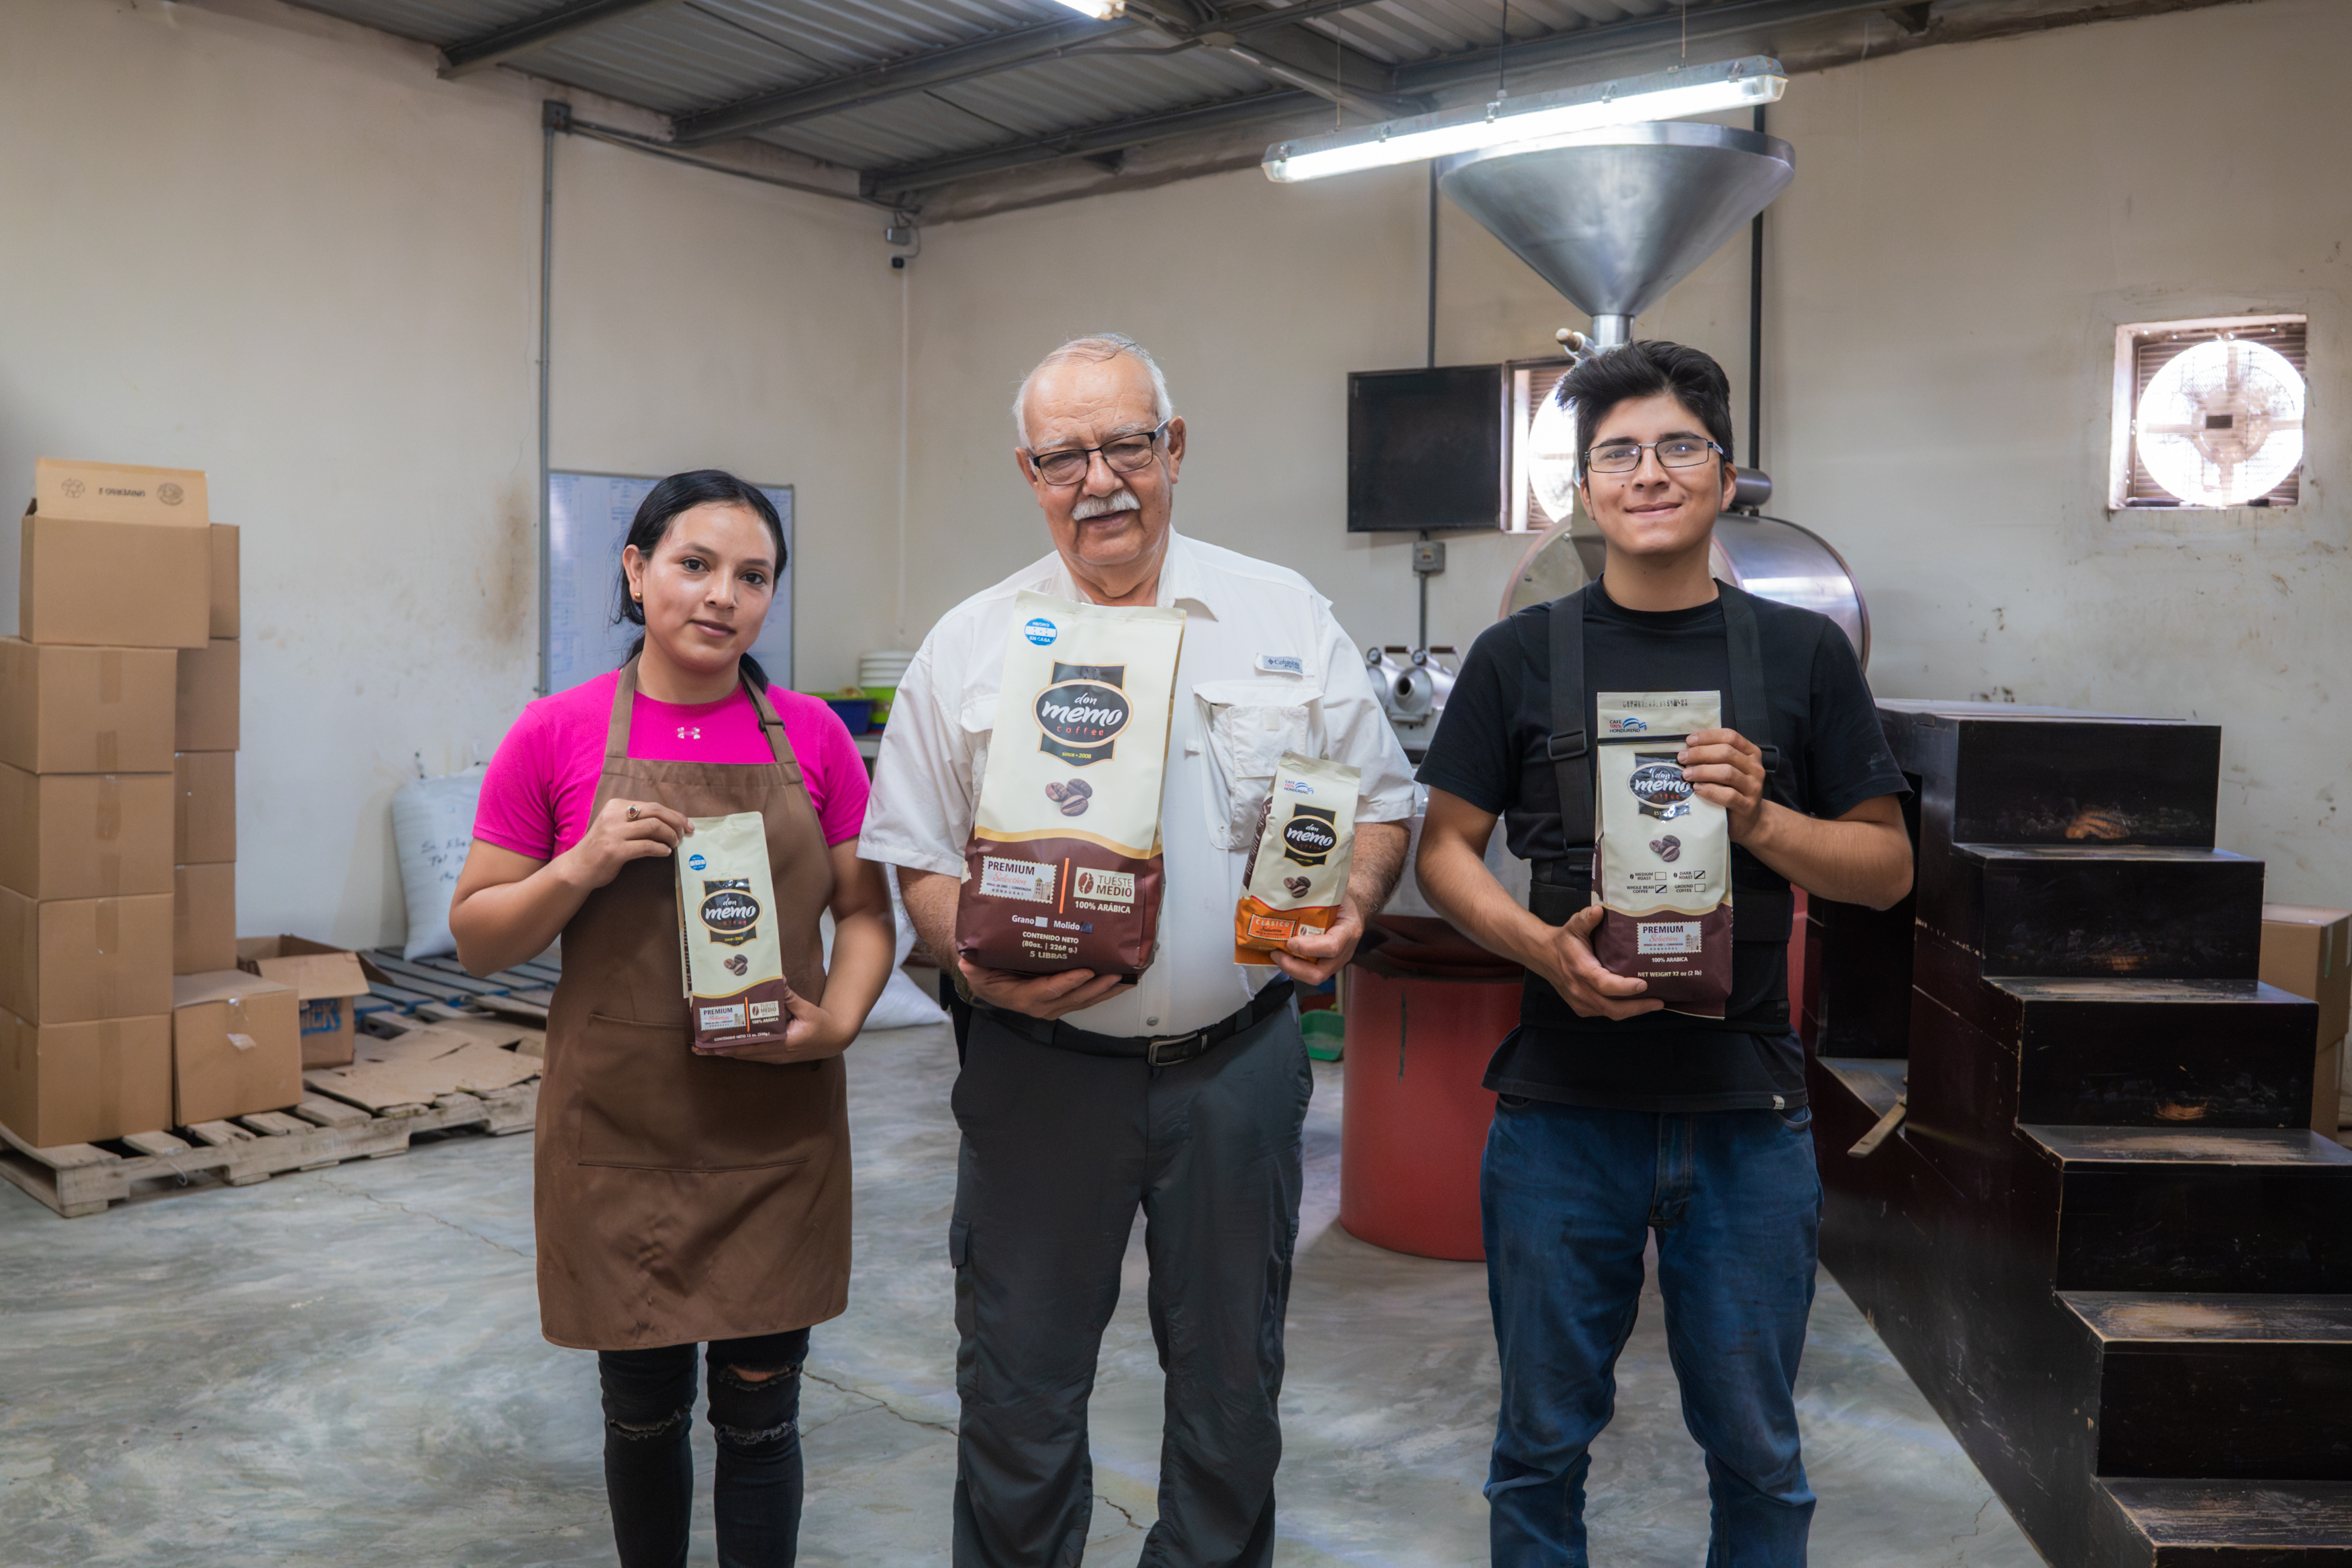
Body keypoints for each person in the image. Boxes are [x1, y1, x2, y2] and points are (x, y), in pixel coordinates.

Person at [860, 333, 1415, 1568]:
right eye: (1065, 456)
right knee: (1018, 1388)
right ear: (1029, 473)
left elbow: (1379, 802)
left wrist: (1353, 902)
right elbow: (918, 855)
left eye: (1126, 445)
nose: (1099, 481)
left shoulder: (1280, 613)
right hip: (1037, 1074)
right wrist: (971, 964)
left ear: (1175, 448)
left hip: (1237, 1070)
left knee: (1230, 1393)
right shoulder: (972, 641)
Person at [1412, 341, 1915, 1567]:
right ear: (1585, 489)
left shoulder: (1801, 656)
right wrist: (1541, 949)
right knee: (1538, 1447)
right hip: (1560, 1115)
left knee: (1758, 1454)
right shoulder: (1514, 656)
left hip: (1746, 1116)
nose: (1648, 472)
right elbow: (1443, 852)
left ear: (1726, 476)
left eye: (1678, 445)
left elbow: (1885, 868)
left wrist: (1761, 819)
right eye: (1618, 452)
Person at [448, 469, 894, 1568]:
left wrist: (840, 1019)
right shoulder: (553, 734)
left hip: (774, 1135)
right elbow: (479, 936)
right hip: (622, 1137)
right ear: (637, 571)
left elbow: (864, 911)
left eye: (754, 576)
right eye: (696, 565)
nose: (723, 595)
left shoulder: (815, 737)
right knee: (642, 1411)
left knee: (762, 1416)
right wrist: (580, 865)